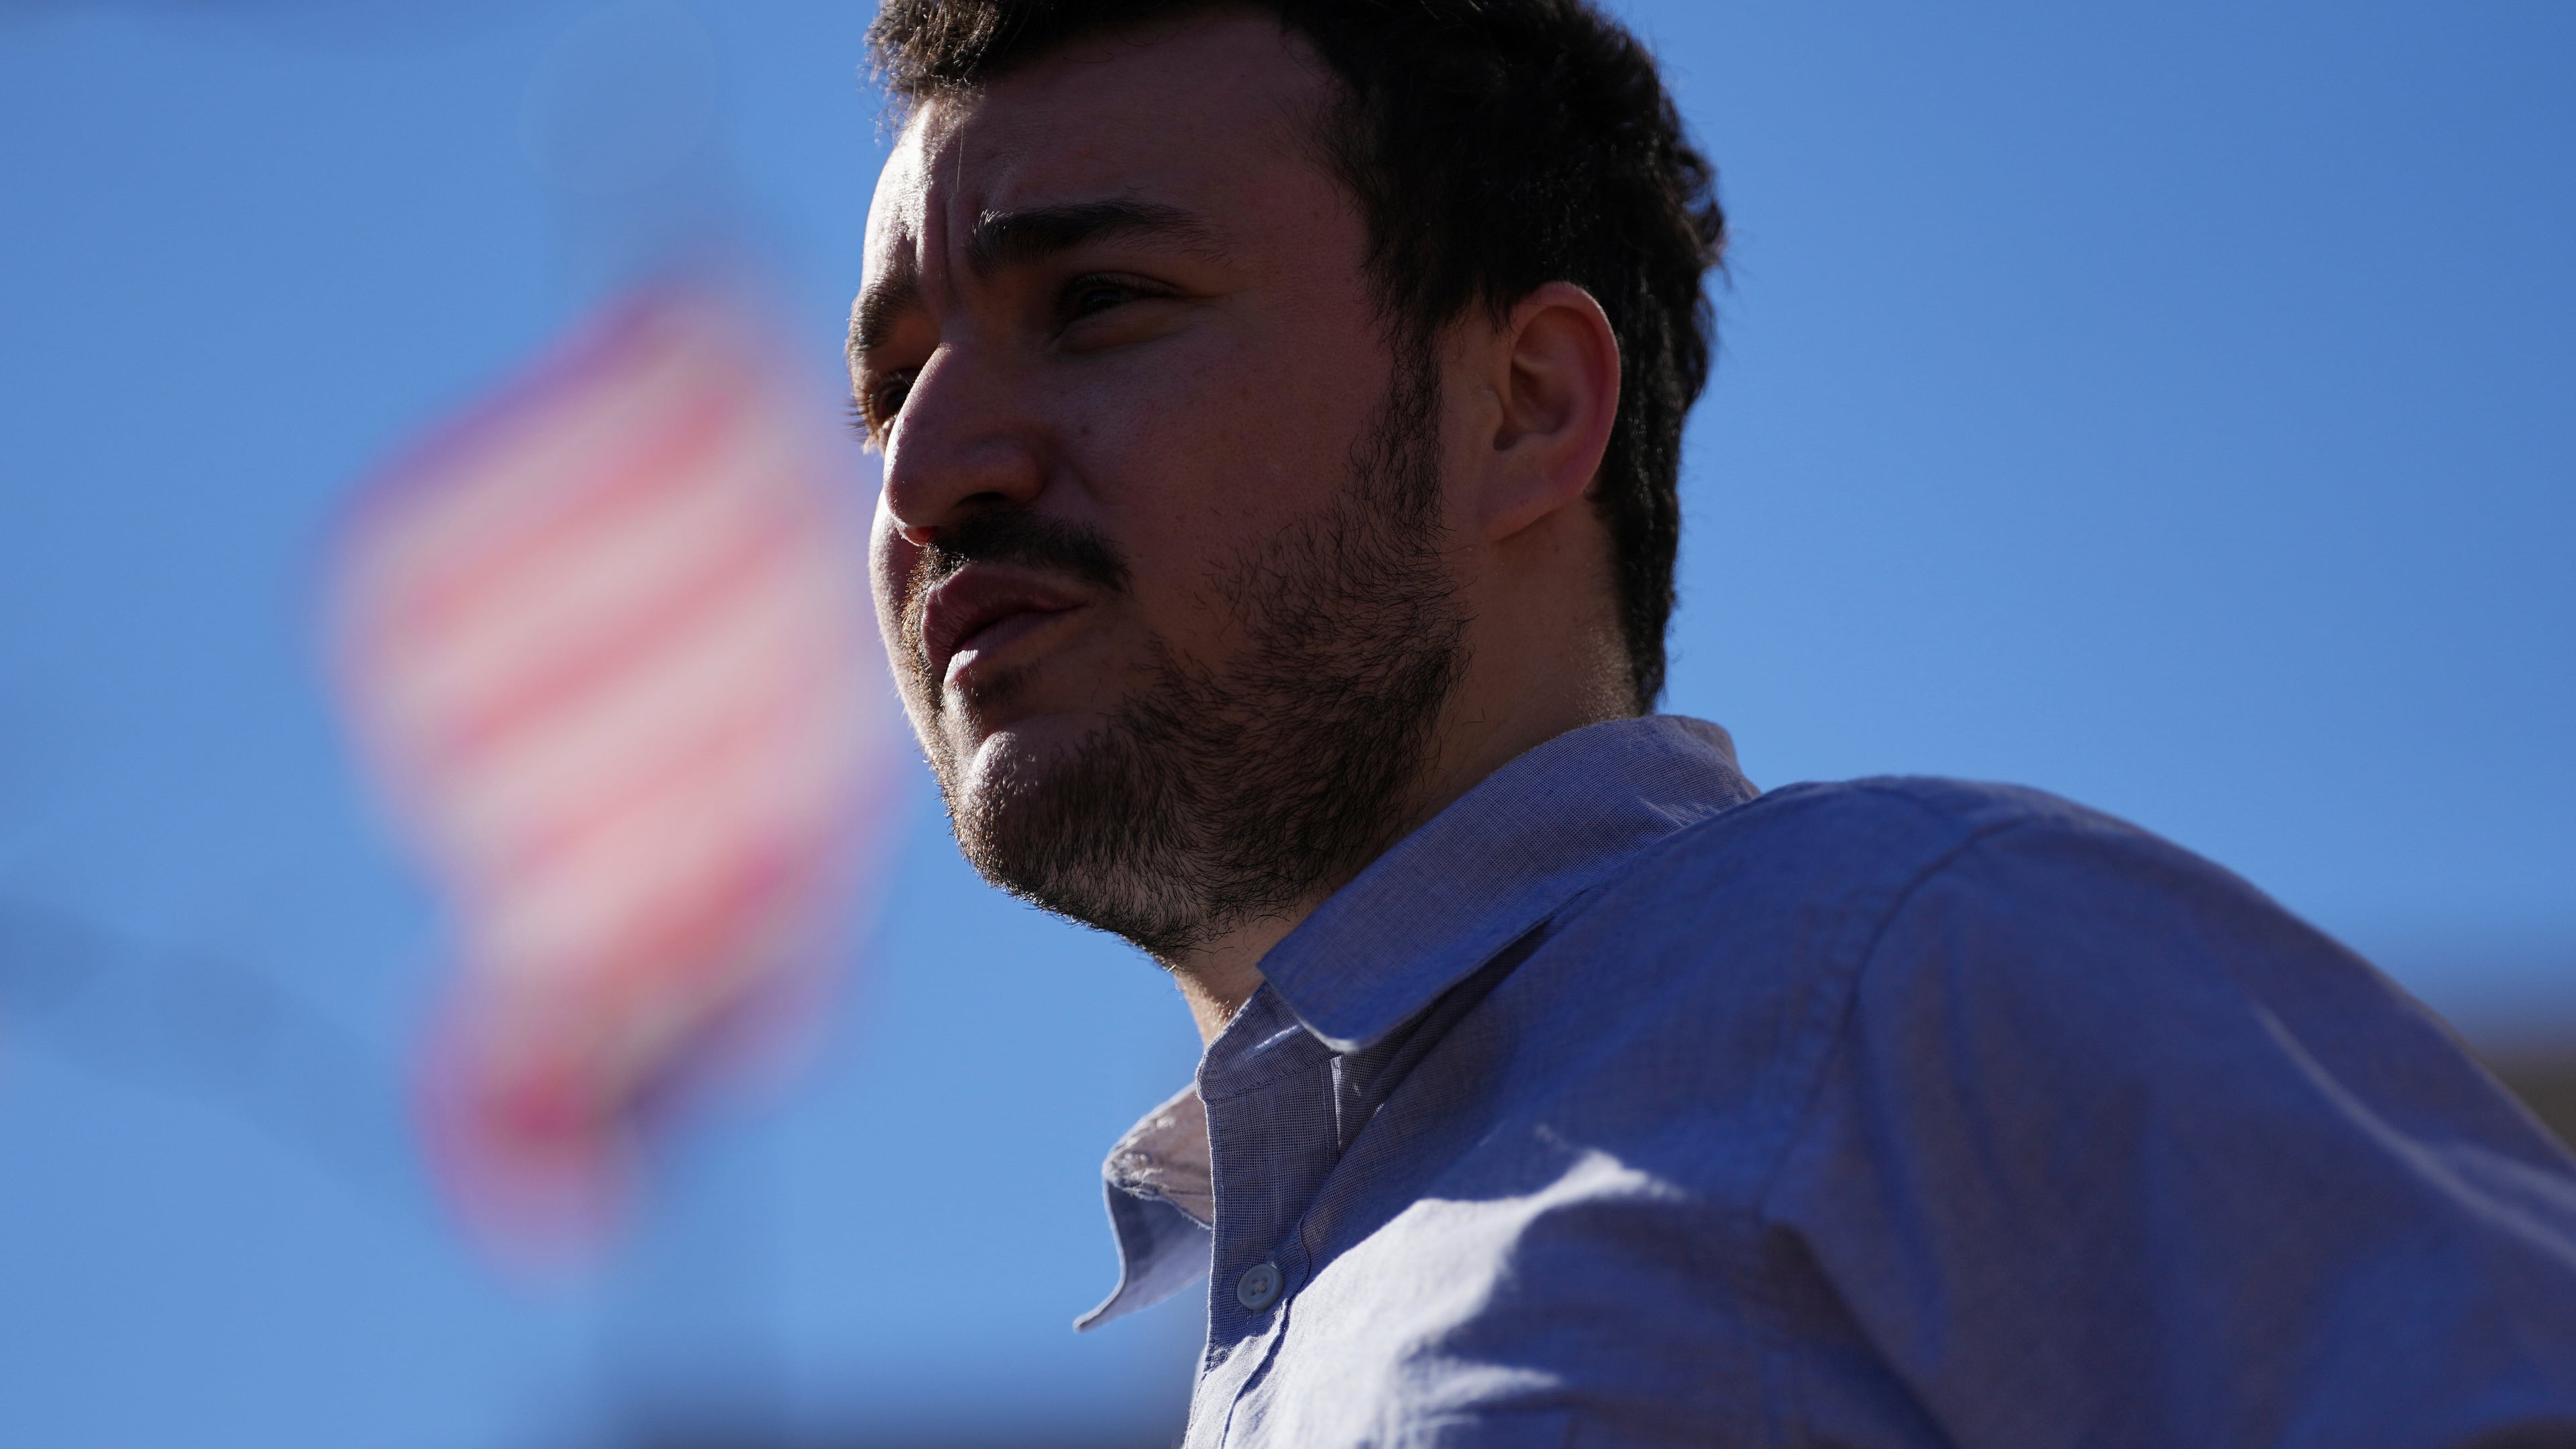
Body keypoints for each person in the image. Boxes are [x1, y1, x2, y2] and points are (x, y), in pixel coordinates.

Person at [845, 1, 2576, 1443]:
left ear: (1526, 407)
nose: (929, 472)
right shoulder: (1300, 1303)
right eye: (889, 385)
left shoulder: (1911, 963)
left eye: (1099, 304)